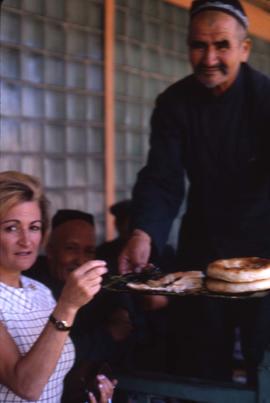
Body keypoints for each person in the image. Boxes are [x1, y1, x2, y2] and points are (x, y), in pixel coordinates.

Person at [118, 0, 270, 384]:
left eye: (221, 45)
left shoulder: (266, 100)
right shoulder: (174, 102)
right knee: (199, 360)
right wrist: (143, 233)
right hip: (203, 245)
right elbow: (162, 177)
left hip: (266, 246)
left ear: (244, 48)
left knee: (266, 358)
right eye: (198, 45)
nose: (209, 57)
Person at [0, 171, 116, 402]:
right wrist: (68, 306)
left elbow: (51, 382)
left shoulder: (40, 291)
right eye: (12, 228)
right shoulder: (60, 301)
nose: (26, 240)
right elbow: (27, 386)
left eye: (34, 227)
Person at [26, 208, 135, 370]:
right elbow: (41, 353)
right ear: (50, 251)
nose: (81, 260)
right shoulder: (30, 285)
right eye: (71, 248)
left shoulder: (102, 283)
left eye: (89, 251)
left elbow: (124, 329)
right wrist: (103, 338)